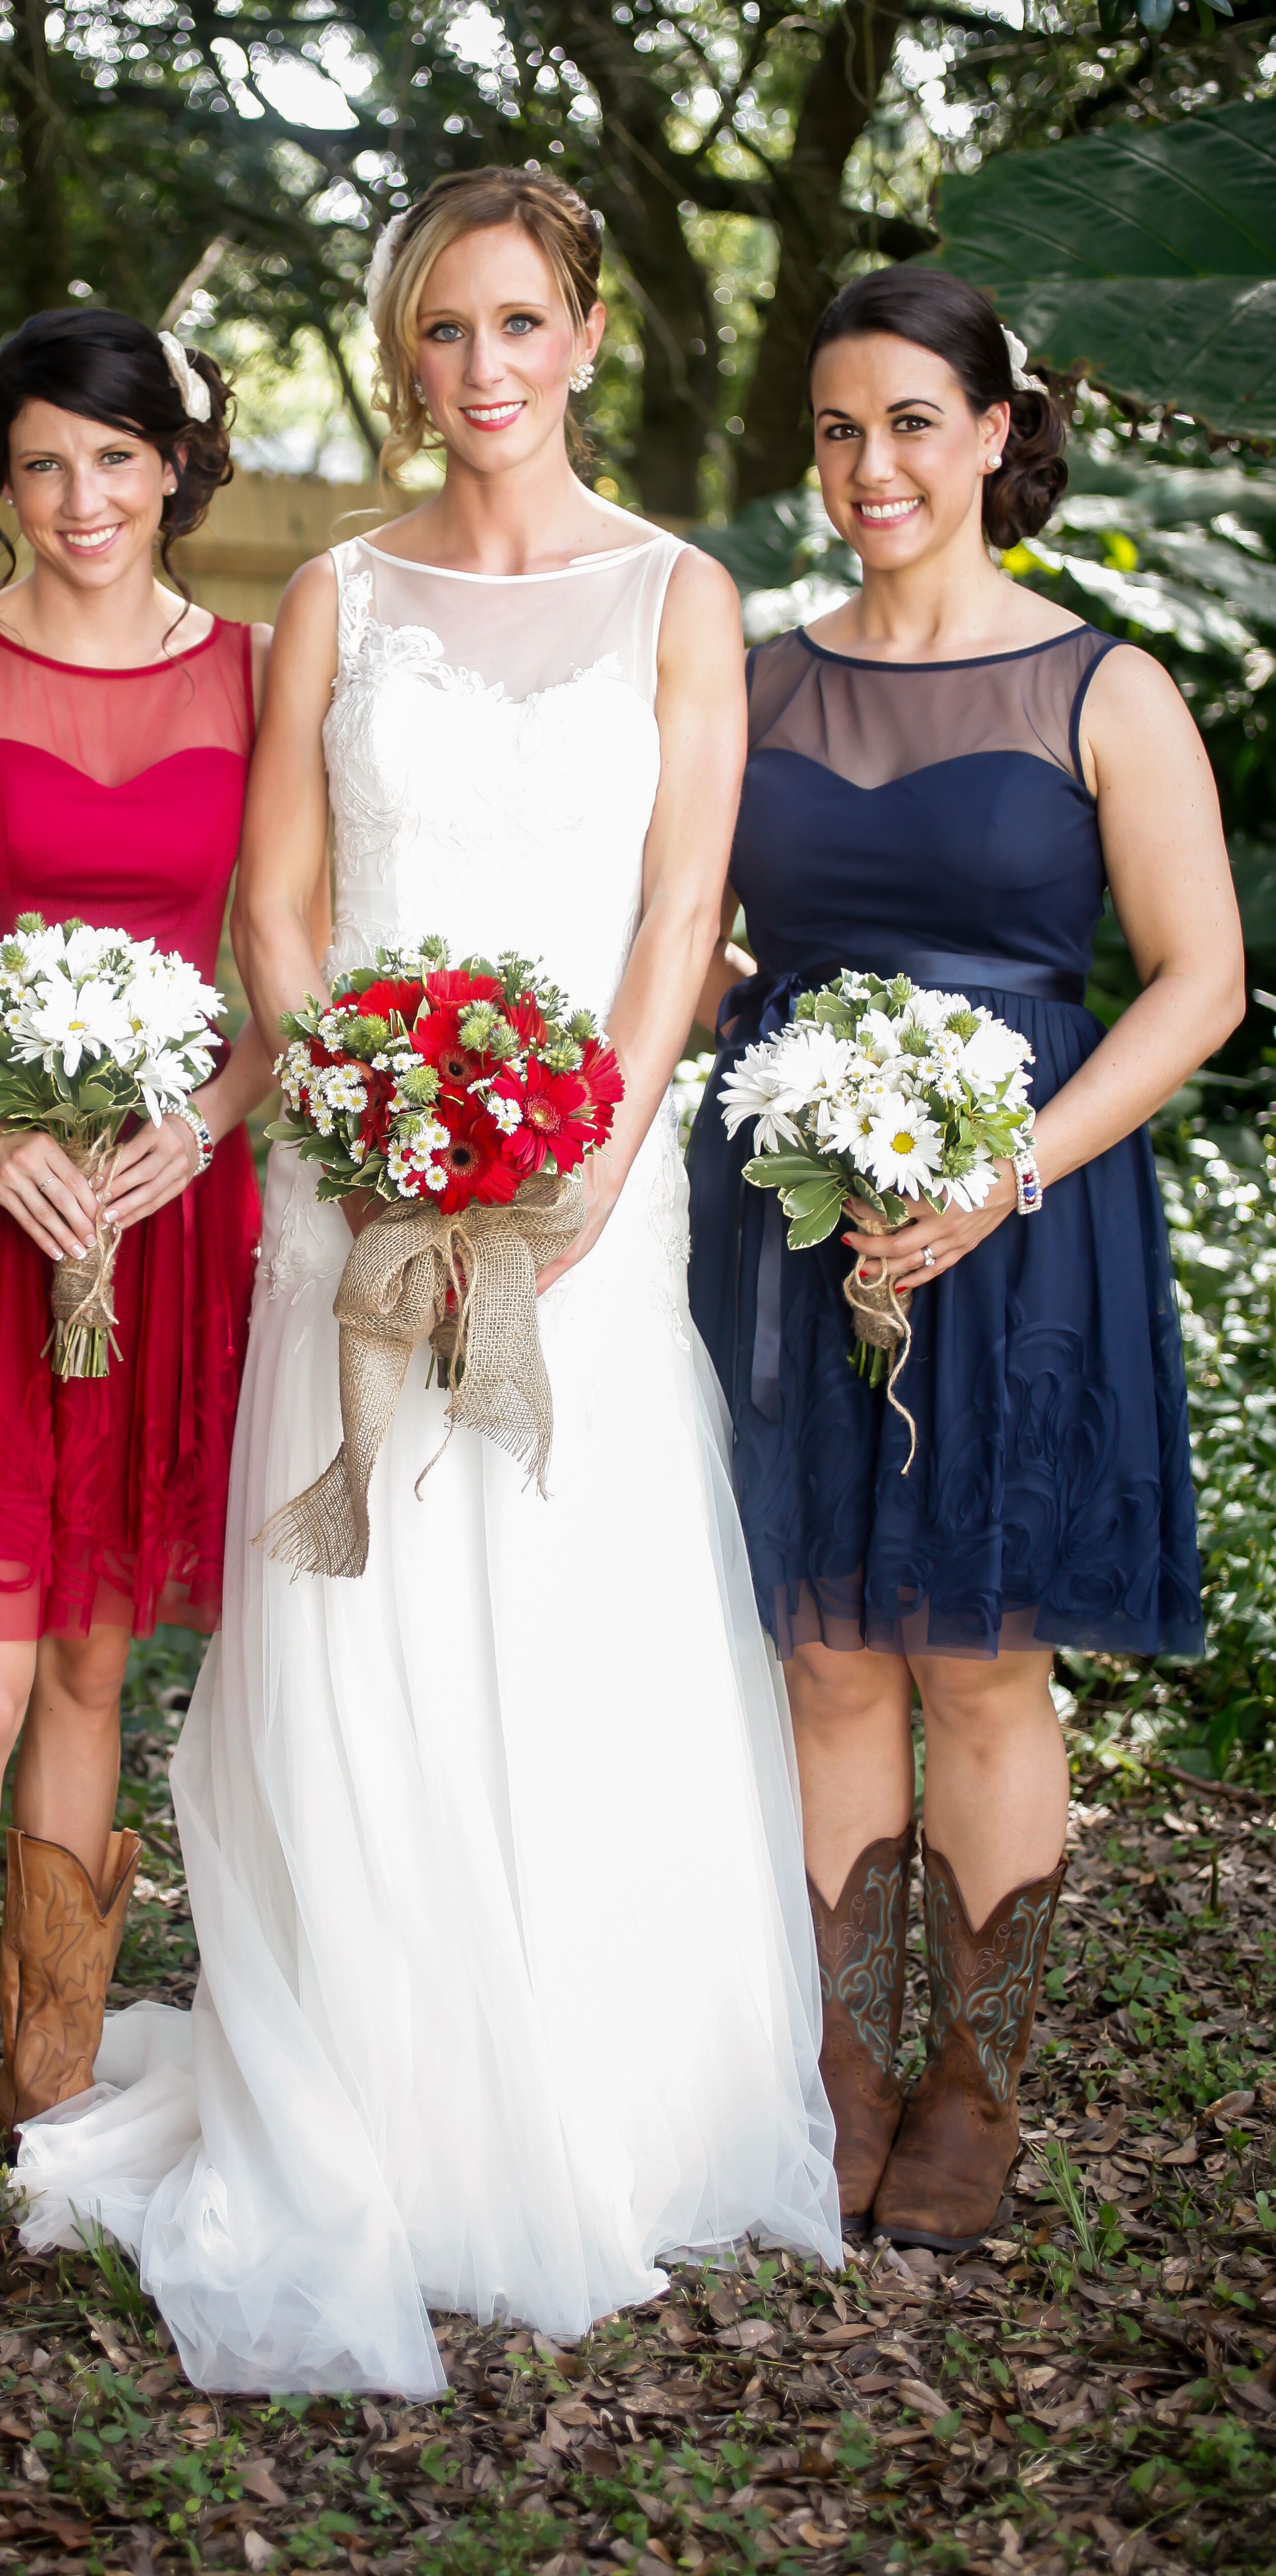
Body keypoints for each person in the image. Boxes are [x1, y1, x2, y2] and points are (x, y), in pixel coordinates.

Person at [9, 168, 840, 2396]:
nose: (479, 371)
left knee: (571, 1598)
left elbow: (681, 910)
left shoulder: (684, 595)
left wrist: (587, 1148)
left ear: (583, 337)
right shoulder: (335, 597)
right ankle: (371, 2087)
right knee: (360, 1613)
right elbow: (275, 907)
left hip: (584, 1176)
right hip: (350, 1175)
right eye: (439, 335)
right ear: (411, 362)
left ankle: (594, 2095)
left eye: (514, 325)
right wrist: (367, 1119)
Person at [686, 266, 1241, 2253]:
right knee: (828, 1642)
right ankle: (839, 2069)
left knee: (984, 1654)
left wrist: (1007, 1167)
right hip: (795, 1226)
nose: (870, 467)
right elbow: (704, 949)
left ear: (997, 433)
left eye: (912, 423)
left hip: (1024, 1217)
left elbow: (1201, 986)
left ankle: (973, 2089)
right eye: (838, 430)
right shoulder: (756, 685)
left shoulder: (1103, 688)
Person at [0, 309, 277, 2291]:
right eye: (44, 465)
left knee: (102, 1668)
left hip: (168, 1220)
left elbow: (291, 988)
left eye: (117, 461)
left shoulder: (261, 678)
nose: (84, 502)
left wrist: (201, 1125)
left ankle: (49, 2086)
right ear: (2, 480)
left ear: (173, 464)